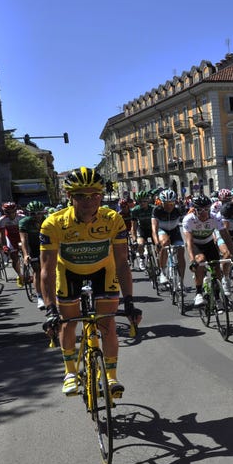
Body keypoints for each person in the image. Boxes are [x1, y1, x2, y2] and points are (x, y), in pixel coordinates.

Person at [40, 167, 140, 396]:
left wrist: (130, 301)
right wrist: (50, 309)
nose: (88, 201)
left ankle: (111, 377)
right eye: (80, 196)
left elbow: (123, 263)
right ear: (69, 197)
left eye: (94, 195)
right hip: (69, 273)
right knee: (68, 322)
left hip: (103, 273)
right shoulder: (53, 223)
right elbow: (46, 270)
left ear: (101, 196)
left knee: (108, 324)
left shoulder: (113, 219)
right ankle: (70, 373)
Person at [183, 194, 233, 307]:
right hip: (196, 244)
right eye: (200, 210)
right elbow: (189, 242)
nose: (203, 212)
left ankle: (217, 296)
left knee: (216, 268)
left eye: (206, 209)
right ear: (194, 210)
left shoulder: (215, 217)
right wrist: (192, 260)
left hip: (209, 243)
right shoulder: (188, 219)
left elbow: (225, 235)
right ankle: (198, 293)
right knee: (200, 261)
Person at [151, 189, 186, 288]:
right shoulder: (157, 210)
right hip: (162, 230)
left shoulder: (179, 209)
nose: (169, 206)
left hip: (175, 231)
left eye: (171, 203)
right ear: (161, 203)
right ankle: (162, 272)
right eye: (166, 204)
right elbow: (154, 229)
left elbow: (187, 223)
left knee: (181, 251)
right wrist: (157, 242)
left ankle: (181, 281)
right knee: (165, 243)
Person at [18, 200, 47, 309]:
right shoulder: (24, 222)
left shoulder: (47, 220)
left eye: (39, 213)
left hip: (45, 245)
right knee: (37, 270)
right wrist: (26, 254)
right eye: (33, 214)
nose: (37, 216)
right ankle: (40, 297)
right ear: (28, 214)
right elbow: (24, 239)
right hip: (32, 246)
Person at [0, 201, 23, 282]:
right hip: (10, 237)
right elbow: (1, 234)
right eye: (8, 212)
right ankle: (19, 275)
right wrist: (4, 246)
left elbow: (27, 232)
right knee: (14, 257)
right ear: (5, 212)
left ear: (16, 211)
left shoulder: (22, 217)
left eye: (13, 212)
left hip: (21, 236)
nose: (11, 214)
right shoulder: (2, 220)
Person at [130, 191, 155, 270]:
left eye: (144, 201)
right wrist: (134, 239)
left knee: (159, 245)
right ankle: (142, 258)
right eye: (140, 201)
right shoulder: (135, 210)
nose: (142, 203)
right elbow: (133, 227)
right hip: (142, 229)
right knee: (140, 244)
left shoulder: (153, 208)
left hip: (152, 229)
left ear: (148, 200)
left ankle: (159, 259)